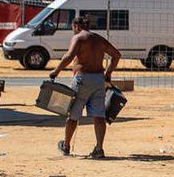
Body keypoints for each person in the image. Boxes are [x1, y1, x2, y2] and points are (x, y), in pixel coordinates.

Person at [49, 15, 122, 159]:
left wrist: (55, 71)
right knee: (99, 116)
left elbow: (69, 56)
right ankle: (99, 149)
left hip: (82, 79)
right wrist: (108, 73)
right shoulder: (99, 39)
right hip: (98, 80)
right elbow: (116, 55)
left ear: (77, 26)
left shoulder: (79, 38)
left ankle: (66, 146)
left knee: (73, 114)